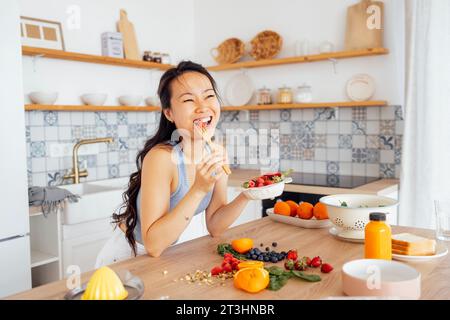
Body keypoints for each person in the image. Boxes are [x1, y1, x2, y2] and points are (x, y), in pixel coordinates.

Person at [95, 61, 252, 267]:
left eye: (209, 95)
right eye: (188, 99)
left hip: (165, 256)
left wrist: (248, 194)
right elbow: (153, 245)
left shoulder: (216, 152)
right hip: (128, 256)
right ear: (169, 113)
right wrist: (198, 189)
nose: (203, 106)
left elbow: (215, 225)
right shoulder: (162, 158)